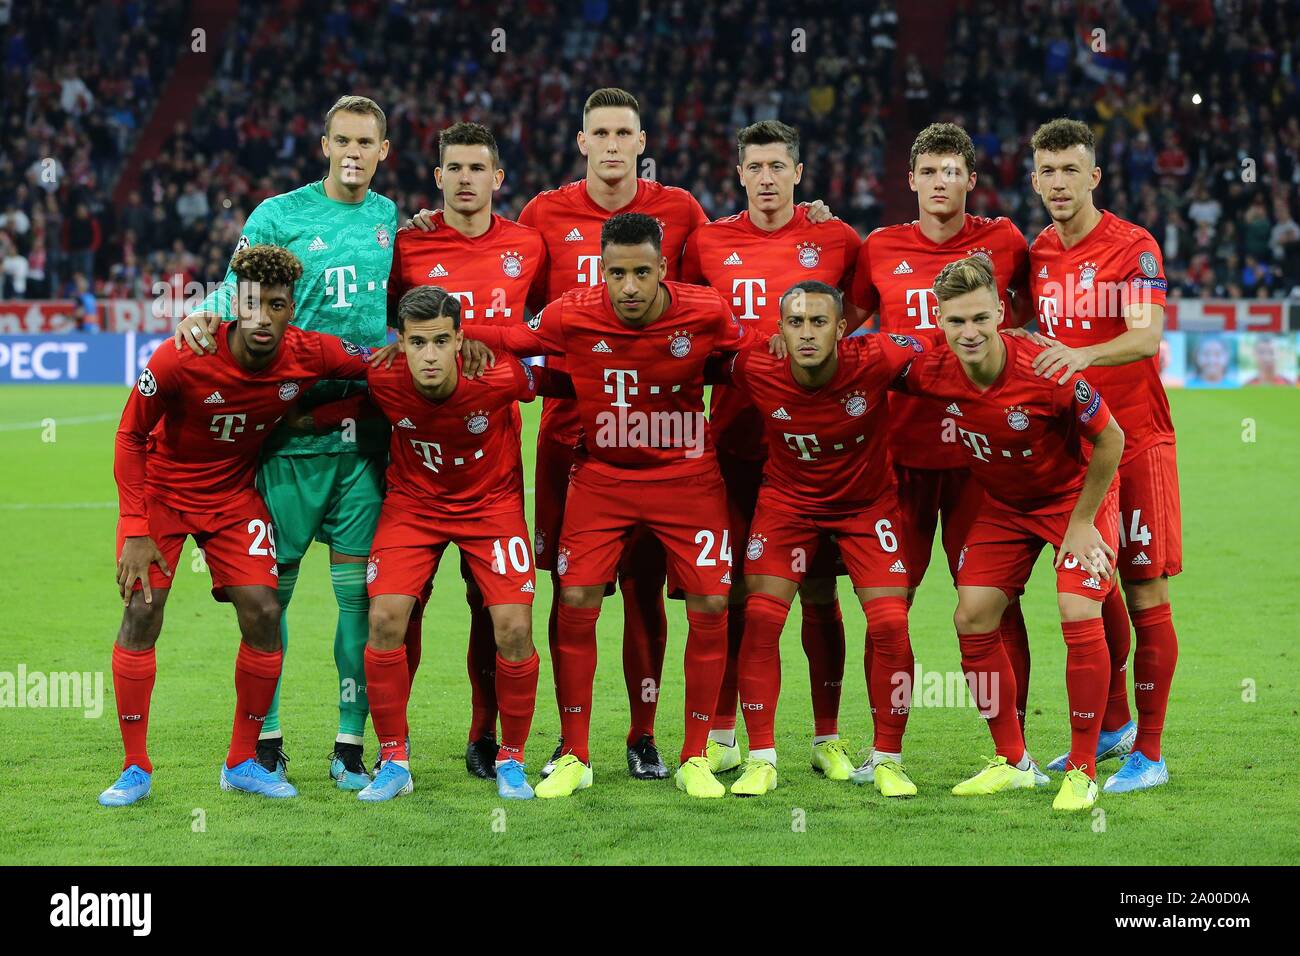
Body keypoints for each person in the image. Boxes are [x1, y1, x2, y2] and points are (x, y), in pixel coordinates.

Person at [462, 212, 751, 799]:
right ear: (602, 269)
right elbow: (513, 336)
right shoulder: (573, 310)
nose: (629, 287)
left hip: (687, 477)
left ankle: (695, 754)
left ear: (662, 268)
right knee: (573, 597)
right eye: (616, 272)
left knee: (713, 603)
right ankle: (575, 751)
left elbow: (756, 354)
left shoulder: (705, 309)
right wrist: (447, 334)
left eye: (641, 272)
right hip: (603, 477)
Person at [100, 244, 377, 807]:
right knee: (142, 611)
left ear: (290, 307)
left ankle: (242, 760)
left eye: (275, 305)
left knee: (265, 610)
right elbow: (130, 436)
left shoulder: (310, 354)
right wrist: (135, 527)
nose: (260, 318)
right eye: (250, 303)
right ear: (234, 303)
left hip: (231, 498)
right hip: (163, 496)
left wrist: (465, 354)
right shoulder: (181, 356)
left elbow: (380, 365)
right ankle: (135, 766)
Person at [173, 95, 398, 790]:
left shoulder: (393, 220)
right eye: (343, 141)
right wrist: (198, 316)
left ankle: (348, 741)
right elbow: (239, 290)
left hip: (362, 439)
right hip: (287, 435)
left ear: (384, 150)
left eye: (367, 141)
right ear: (324, 146)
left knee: (357, 599)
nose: (354, 152)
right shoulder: (278, 215)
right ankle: (264, 740)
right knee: (272, 597)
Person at [298, 287, 572, 802]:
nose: (429, 355)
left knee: (513, 626)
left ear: (460, 340)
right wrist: (301, 422)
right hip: (413, 508)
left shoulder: (498, 375)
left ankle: (512, 759)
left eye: (441, 341)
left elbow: (559, 379)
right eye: (417, 342)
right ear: (399, 342)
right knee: (384, 620)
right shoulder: (383, 375)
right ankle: (395, 759)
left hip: (491, 508)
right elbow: (343, 394)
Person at [903, 255, 1124, 812]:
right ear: (939, 319)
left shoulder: (1048, 369)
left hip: (1074, 501)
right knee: (971, 615)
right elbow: (861, 361)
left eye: (980, 318)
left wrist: (1079, 524)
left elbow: (1112, 440)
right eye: (956, 322)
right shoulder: (932, 370)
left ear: (1001, 312)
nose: (969, 332)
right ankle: (1014, 761)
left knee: (1076, 610)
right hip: (1004, 507)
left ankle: (1082, 768)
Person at [681, 121, 866, 780]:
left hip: (816, 448)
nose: (765, 178)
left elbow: (865, 322)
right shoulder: (707, 241)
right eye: (754, 166)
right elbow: (682, 319)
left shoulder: (838, 238)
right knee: (732, 591)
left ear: (798, 171)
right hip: (731, 441)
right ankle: (728, 734)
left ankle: (827, 737)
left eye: (776, 166)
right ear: (739, 174)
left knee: (818, 589)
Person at [848, 123, 1037, 731]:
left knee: (994, 604)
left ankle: (1015, 746)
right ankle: (885, 750)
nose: (939, 182)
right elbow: (840, 325)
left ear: (971, 181)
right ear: (910, 180)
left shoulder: (1005, 242)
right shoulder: (878, 247)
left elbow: (1032, 329)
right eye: (928, 171)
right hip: (898, 457)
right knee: (888, 605)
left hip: (983, 460)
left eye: (951, 171)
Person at [386, 121, 549, 780]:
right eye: (453, 168)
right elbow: (381, 325)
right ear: (437, 177)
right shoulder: (408, 244)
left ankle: (486, 734)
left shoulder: (529, 245)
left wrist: (488, 343)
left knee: (494, 606)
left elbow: (551, 323)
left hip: (494, 456)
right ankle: (391, 744)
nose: (464, 179)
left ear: (497, 177)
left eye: (476, 168)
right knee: (404, 603)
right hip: (417, 449)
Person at [716, 280, 920, 797]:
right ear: (779, 330)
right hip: (787, 505)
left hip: (867, 507)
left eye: (819, 322)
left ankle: (889, 759)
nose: (807, 333)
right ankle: (760, 758)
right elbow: (688, 361)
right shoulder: (755, 364)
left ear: (843, 329)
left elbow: (946, 350)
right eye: (796, 322)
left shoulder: (878, 357)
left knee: (892, 623)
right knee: (760, 616)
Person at [1028, 117, 1182, 792]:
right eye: (1048, 171)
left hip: (1139, 442)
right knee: (1095, 587)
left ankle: (1150, 753)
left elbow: (1146, 337)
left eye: (1071, 170)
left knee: (1145, 588)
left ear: (1093, 177)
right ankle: (1114, 726)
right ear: (1035, 180)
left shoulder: (1132, 247)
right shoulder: (1037, 251)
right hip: (1078, 453)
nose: (1059, 183)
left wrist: (1085, 353)